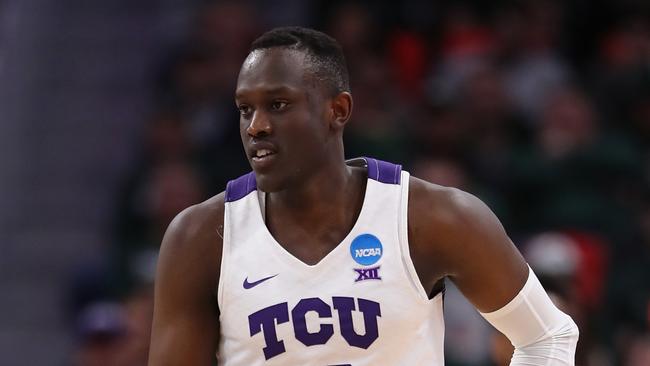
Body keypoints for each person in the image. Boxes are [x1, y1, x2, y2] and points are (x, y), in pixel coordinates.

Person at [148, 27, 579, 365]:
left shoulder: (431, 217)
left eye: (278, 105)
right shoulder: (202, 237)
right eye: (245, 109)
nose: (256, 126)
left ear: (338, 111)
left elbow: (548, 336)